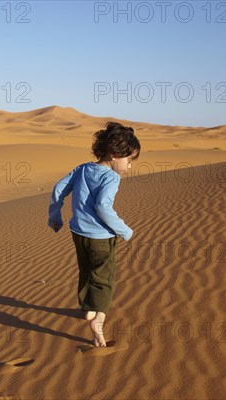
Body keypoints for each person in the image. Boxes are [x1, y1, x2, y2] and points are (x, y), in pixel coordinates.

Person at [48, 121, 140, 347]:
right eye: (128, 160)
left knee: (86, 270)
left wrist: (55, 215)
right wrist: (124, 230)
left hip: (78, 232)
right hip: (101, 237)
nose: (128, 167)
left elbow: (59, 188)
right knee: (103, 279)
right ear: (114, 154)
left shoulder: (82, 169)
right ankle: (98, 318)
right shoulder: (111, 177)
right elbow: (103, 207)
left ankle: (87, 309)